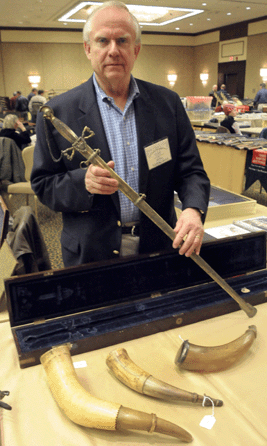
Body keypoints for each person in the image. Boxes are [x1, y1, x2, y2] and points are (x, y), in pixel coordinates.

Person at [31, 0, 210, 267]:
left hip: (160, 246)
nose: (113, 51)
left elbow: (191, 171)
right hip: (90, 253)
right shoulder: (57, 113)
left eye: (122, 41)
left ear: (136, 49)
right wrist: (83, 183)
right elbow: (43, 185)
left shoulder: (168, 103)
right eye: (103, 41)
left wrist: (194, 210)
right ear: (88, 49)